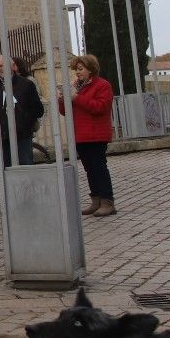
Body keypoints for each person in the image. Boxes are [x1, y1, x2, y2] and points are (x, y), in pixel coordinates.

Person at [61, 54, 116, 217]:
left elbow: (100, 107)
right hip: (81, 135)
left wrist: (77, 98)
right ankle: (96, 200)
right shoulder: (78, 86)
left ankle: (107, 201)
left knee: (99, 168)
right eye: (76, 70)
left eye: (80, 69)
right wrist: (62, 99)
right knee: (89, 169)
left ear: (91, 69)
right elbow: (65, 111)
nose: (77, 73)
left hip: (96, 135)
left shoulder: (102, 85)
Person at [0, 55, 43, 169]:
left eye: (5, 65)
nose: (2, 68)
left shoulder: (26, 85)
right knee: (5, 171)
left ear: (13, 66)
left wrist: (24, 122)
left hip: (22, 137)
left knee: (26, 169)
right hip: (1, 138)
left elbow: (37, 109)